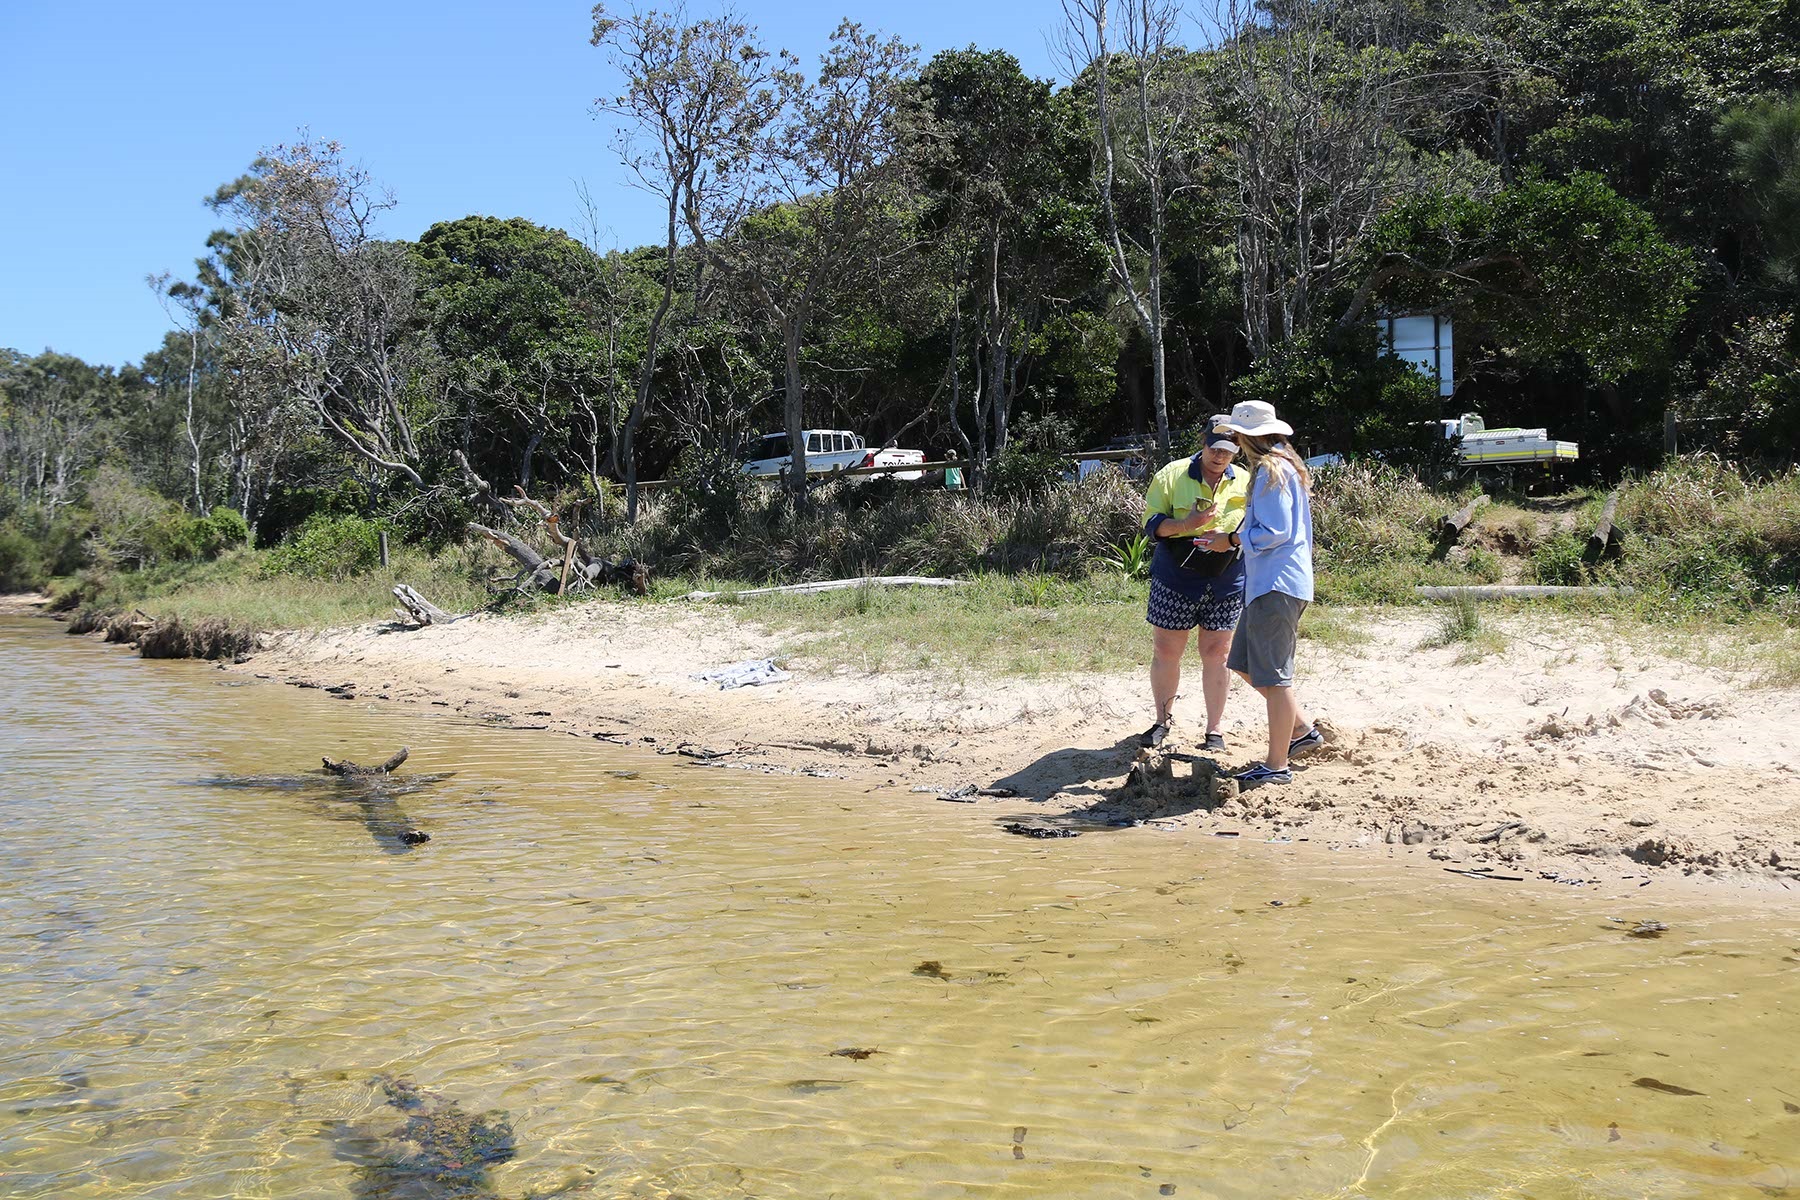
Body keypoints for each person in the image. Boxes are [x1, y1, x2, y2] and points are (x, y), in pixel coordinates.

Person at [1197, 400, 1325, 788]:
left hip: (1276, 584)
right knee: (1244, 664)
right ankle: (1301, 731)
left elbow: (1276, 532)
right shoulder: (1281, 465)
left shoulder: (1271, 470)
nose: (1231, 439)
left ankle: (1276, 766)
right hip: (1271, 585)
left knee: (1275, 677)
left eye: (1235, 433)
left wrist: (1231, 539)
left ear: (1245, 436)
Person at [1138, 420, 1250, 752]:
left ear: (1238, 451)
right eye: (1214, 447)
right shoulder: (1171, 475)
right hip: (1176, 575)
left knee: (1218, 654)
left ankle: (1214, 730)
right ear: (1203, 442)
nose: (1219, 456)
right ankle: (1162, 721)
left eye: (1228, 451)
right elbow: (1151, 524)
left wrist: (1228, 540)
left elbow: (1256, 526)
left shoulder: (1246, 480)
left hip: (1226, 577)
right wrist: (1186, 524)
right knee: (1166, 650)